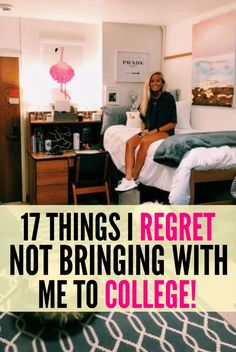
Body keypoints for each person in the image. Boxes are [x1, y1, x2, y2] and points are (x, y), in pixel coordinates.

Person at [115, 71, 177, 192]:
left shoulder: (168, 98)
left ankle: (134, 177)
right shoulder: (146, 99)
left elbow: (173, 123)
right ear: (148, 83)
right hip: (150, 131)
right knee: (129, 143)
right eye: (152, 81)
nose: (155, 83)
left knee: (145, 142)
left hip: (165, 131)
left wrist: (155, 131)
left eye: (158, 80)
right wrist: (144, 131)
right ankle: (127, 179)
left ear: (162, 83)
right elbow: (143, 119)